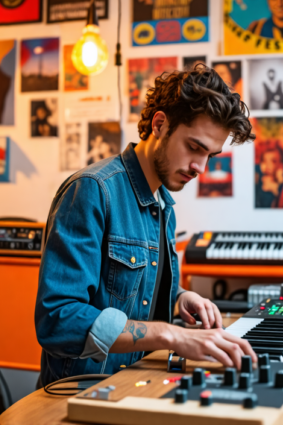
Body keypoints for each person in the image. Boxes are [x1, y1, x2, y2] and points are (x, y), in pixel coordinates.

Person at [35, 65, 257, 385]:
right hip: (83, 391)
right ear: (160, 124)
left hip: (138, 383)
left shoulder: (164, 203)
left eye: (211, 155)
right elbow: (59, 320)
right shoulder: (93, 191)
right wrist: (171, 335)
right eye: (194, 147)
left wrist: (179, 298)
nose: (200, 168)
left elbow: (128, 290)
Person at [255, 144, 283, 208]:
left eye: (273, 161)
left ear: (281, 165)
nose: (268, 164)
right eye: (264, 160)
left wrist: (276, 189)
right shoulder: (258, 182)